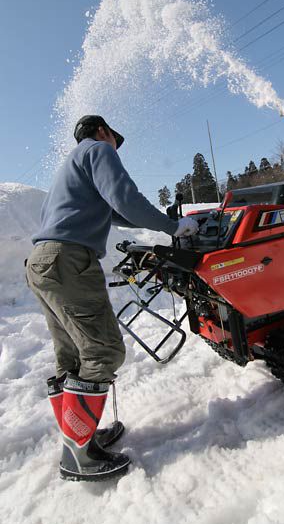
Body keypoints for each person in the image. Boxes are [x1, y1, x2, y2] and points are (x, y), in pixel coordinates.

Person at [26, 115, 198, 482]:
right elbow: (125, 198)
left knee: (71, 355)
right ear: (102, 132)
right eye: (114, 140)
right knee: (103, 352)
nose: (115, 148)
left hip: (43, 261)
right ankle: (79, 455)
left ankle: (80, 436)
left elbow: (118, 211)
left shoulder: (71, 165)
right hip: (69, 261)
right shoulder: (99, 150)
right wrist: (173, 227)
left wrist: (154, 223)